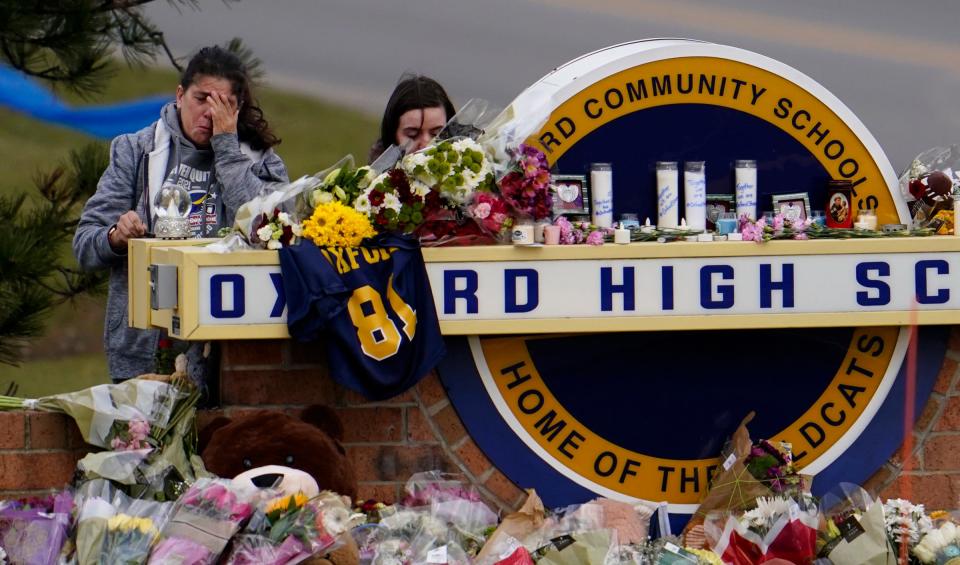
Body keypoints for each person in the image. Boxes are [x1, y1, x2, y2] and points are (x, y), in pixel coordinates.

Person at [73, 46, 288, 382]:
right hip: (142, 351)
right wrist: (116, 236)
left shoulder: (259, 160)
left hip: (228, 354)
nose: (209, 112)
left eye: (223, 103)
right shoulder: (136, 150)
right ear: (179, 95)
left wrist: (228, 150)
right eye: (201, 98)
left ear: (238, 108)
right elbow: (85, 246)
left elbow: (273, 233)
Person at [368, 74, 456, 163]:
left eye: (437, 134)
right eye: (412, 135)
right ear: (392, 135)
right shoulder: (375, 174)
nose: (426, 144)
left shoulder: (466, 172)